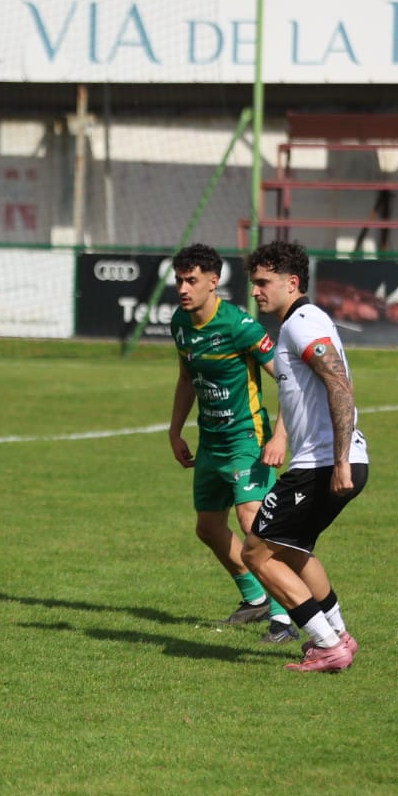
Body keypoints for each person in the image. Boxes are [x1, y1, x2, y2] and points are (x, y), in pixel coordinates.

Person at [242, 241, 370, 673]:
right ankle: (340, 636)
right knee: (294, 550)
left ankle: (326, 644)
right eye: (253, 283)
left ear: (291, 283)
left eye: (264, 282)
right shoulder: (299, 324)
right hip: (326, 460)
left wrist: (340, 461)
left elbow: (338, 384)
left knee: (256, 554)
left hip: (323, 463)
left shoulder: (302, 322)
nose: (256, 291)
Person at [166, 244, 297, 644]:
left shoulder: (240, 326)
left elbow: (290, 380)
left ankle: (282, 618)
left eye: (192, 281)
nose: (184, 289)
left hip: (247, 440)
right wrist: (174, 430)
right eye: (179, 281)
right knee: (207, 528)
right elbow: (187, 378)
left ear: (213, 282)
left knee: (252, 522)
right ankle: (254, 597)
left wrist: (279, 436)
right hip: (211, 442)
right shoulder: (181, 323)